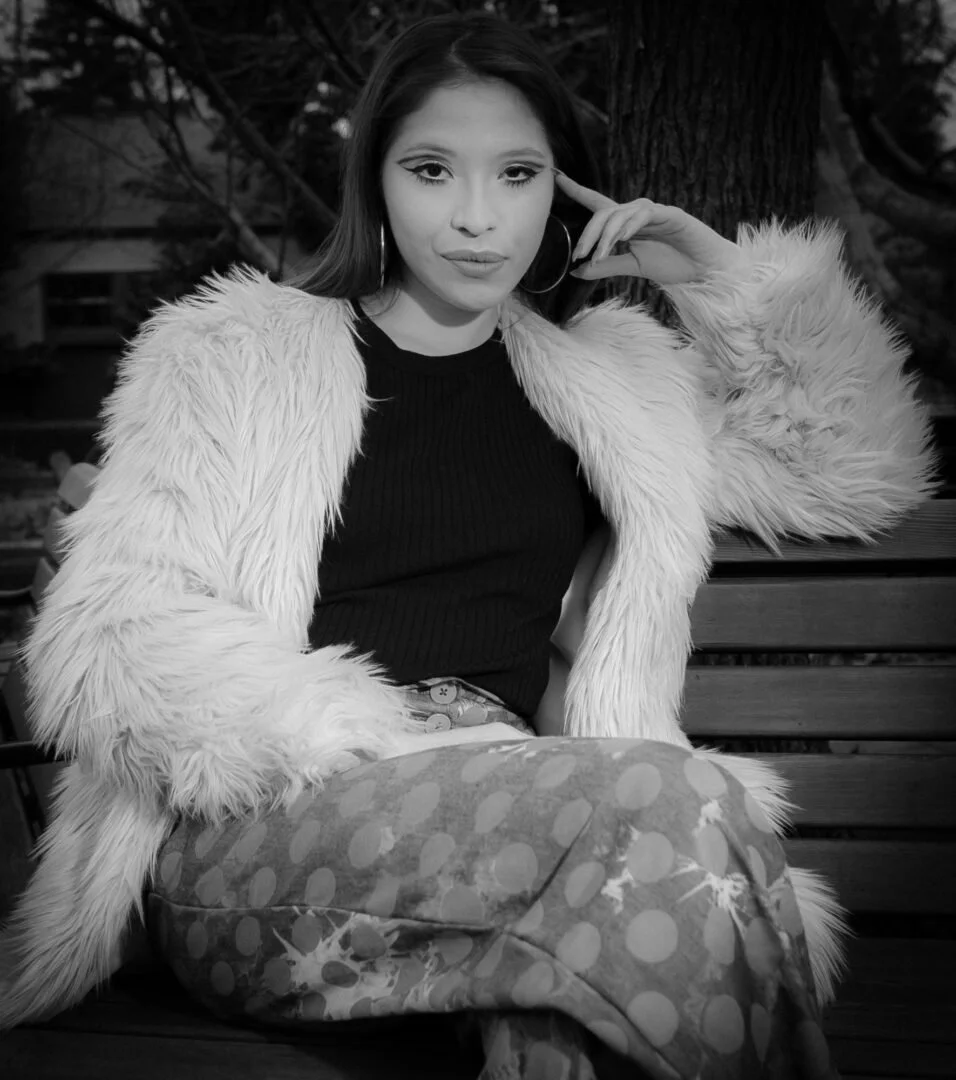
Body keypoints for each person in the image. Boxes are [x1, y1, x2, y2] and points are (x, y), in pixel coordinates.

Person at [0, 12, 936, 1079]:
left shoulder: (613, 388)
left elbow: (851, 473)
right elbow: (112, 640)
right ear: (377, 183)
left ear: (559, 193)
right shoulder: (230, 357)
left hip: (546, 842)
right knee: (670, 815)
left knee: (564, 1018)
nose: (477, 217)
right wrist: (371, 739)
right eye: (434, 170)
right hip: (268, 824)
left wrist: (715, 278)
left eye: (518, 174)